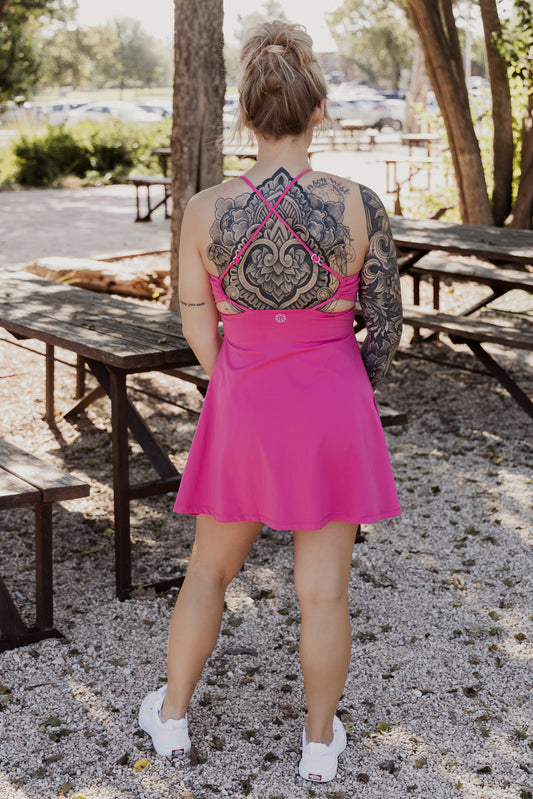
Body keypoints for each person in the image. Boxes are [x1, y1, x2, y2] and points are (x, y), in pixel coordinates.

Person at [139, 20, 402, 784]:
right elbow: (386, 324)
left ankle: (173, 719)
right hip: (331, 404)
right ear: (318, 110)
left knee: (206, 573)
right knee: (323, 592)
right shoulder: (359, 204)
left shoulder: (202, 209)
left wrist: (242, 378)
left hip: (244, 403)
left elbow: (195, 316)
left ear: (246, 119)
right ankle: (319, 744)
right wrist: (341, 388)